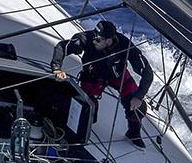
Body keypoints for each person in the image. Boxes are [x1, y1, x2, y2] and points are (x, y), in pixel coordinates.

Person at [51, 17, 153, 146]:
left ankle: (133, 133)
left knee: (138, 106)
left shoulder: (125, 45)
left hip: (118, 77)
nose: (94, 41)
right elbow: (62, 46)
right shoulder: (86, 39)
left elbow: (147, 72)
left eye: (98, 39)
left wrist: (139, 96)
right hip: (92, 77)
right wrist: (56, 68)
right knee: (87, 111)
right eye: (94, 36)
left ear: (109, 41)